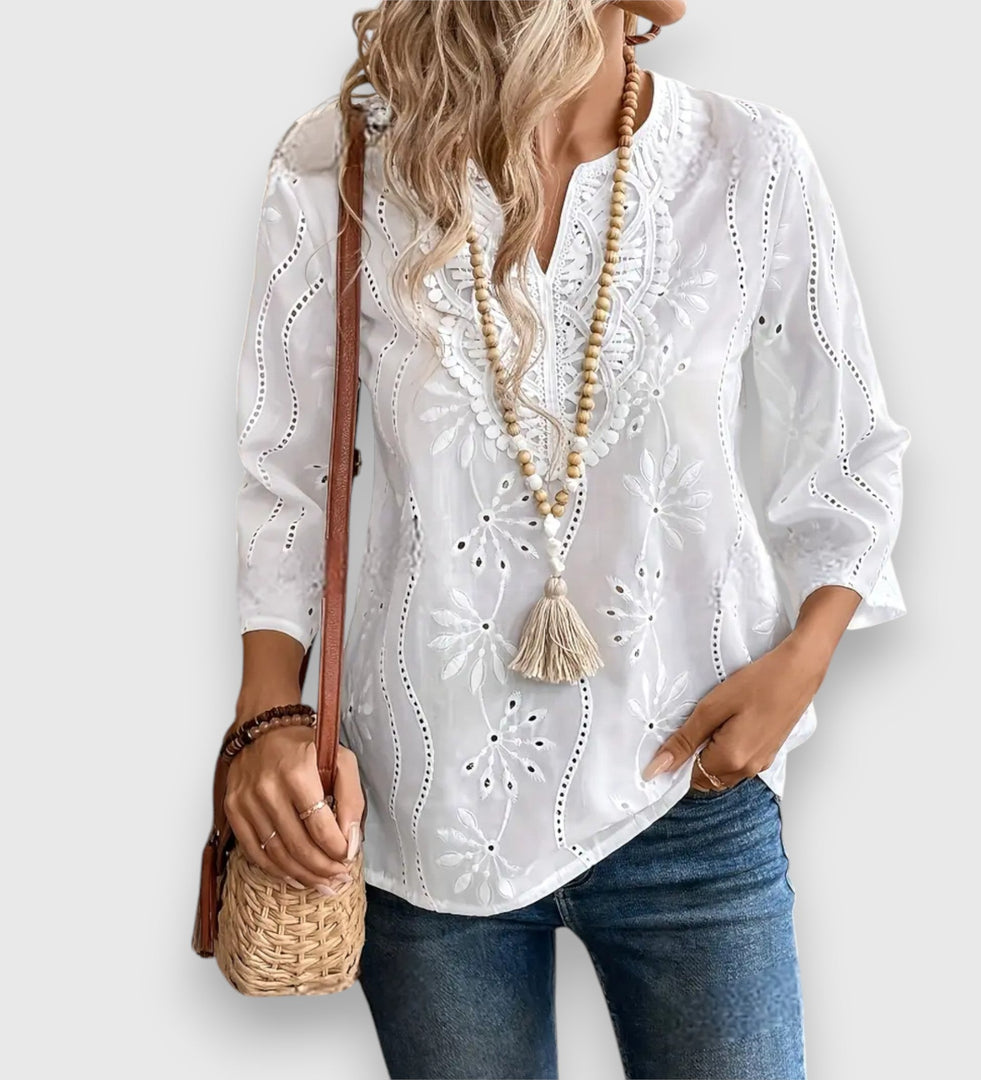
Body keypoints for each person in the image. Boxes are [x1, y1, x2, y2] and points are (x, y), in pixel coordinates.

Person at [222, 1, 911, 1076]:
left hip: (693, 790)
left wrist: (803, 664)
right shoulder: (339, 167)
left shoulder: (748, 160)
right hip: (424, 806)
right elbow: (288, 475)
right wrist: (266, 716)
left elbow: (850, 453)